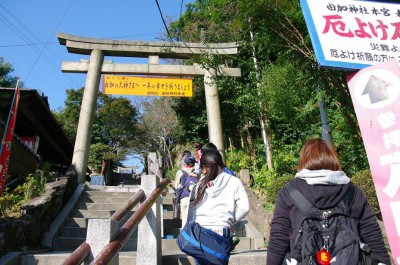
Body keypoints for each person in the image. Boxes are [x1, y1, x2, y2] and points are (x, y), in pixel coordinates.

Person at [267, 138, 391, 265]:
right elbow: (372, 236)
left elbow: (278, 240)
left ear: (303, 161)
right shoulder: (353, 192)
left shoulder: (289, 192)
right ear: (334, 160)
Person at [189, 149, 250, 265]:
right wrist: (230, 220)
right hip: (221, 234)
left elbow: (193, 210)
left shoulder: (199, 185)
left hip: (200, 234)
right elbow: (245, 208)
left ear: (204, 167)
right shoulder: (234, 181)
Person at [174, 154, 198, 228]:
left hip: (184, 198)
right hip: (195, 199)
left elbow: (176, 186)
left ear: (185, 163)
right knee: (193, 220)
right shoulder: (197, 174)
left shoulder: (180, 172)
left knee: (184, 220)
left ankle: (184, 237)